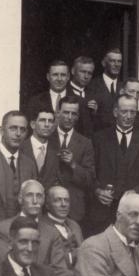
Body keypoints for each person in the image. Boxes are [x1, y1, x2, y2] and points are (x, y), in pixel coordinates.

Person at [86, 95, 139, 237]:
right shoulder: (99, 138)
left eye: (132, 112)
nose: (128, 116)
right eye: (124, 111)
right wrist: (97, 191)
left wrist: (136, 191)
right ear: (115, 112)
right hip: (103, 211)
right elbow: (90, 171)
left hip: (132, 212)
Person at [0, 181, 70, 276]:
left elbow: (60, 272)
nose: (35, 201)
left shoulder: (52, 233)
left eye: (39, 196)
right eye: (29, 195)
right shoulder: (2, 229)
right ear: (20, 199)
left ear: (43, 200)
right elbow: (5, 269)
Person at [44, 96, 95, 224]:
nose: (69, 117)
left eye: (74, 114)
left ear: (78, 116)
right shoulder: (46, 137)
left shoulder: (85, 143)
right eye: (66, 112)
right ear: (57, 113)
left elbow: (89, 179)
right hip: (46, 206)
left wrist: (73, 164)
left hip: (73, 208)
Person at [0, 112, 37, 226]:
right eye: (13, 128)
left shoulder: (29, 164)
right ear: (2, 130)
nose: (18, 134)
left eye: (22, 130)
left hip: (21, 234)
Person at [39, 186, 82, 268]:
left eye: (67, 200)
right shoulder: (41, 227)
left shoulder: (74, 225)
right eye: (58, 200)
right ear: (47, 205)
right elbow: (44, 263)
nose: (63, 204)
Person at [87, 49, 123, 133]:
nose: (116, 64)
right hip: (98, 135)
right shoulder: (91, 85)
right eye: (112, 61)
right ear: (104, 63)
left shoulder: (124, 86)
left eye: (119, 61)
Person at [20, 110, 57, 186]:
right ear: (33, 124)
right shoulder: (20, 148)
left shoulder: (57, 151)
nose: (47, 125)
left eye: (50, 121)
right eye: (42, 120)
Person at [64, 57, 97, 137]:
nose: (86, 76)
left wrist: (95, 113)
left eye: (89, 73)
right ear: (73, 71)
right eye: (83, 72)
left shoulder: (94, 94)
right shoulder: (63, 92)